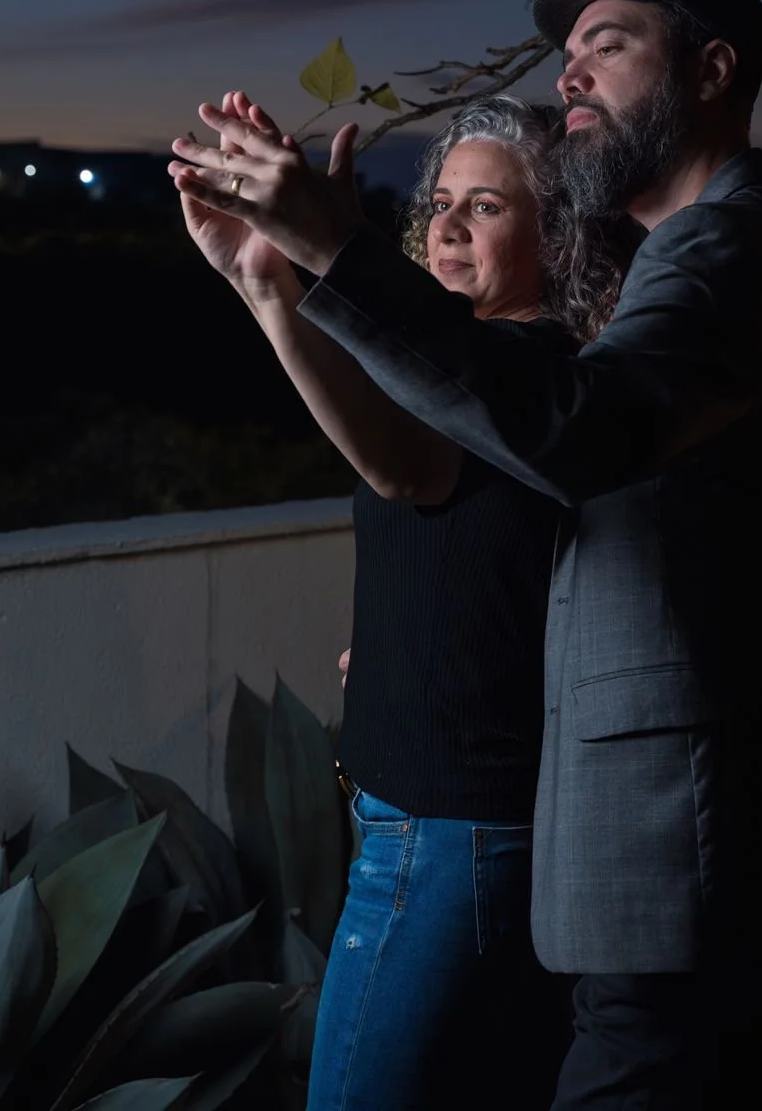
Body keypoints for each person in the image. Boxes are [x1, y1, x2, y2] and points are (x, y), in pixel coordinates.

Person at [170, 0, 762, 1109]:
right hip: (731, 844)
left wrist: (338, 253)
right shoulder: (738, 250)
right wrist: (282, 283)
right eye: (567, 55)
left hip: (682, 852)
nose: (570, 71)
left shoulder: (720, 250)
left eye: (607, 44)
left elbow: (573, 432)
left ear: (711, 71)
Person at [172, 90, 629, 1111]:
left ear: (558, 236)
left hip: (447, 837)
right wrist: (264, 279)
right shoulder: (481, 378)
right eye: (440, 203)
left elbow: (402, 469)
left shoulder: (528, 364)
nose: (450, 224)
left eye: (489, 206)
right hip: (452, 827)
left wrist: (288, 279)